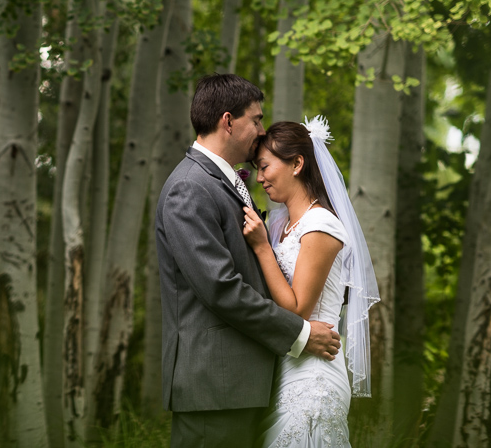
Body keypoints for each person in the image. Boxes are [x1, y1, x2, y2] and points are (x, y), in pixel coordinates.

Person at [155, 74, 343, 448]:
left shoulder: (220, 181)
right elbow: (221, 288)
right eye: (255, 120)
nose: (260, 130)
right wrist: (301, 334)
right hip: (214, 386)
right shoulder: (189, 188)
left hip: (241, 385)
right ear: (228, 121)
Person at [242, 118, 380, 448]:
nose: (260, 178)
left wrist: (261, 247)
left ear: (297, 163)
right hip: (285, 367)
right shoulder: (282, 225)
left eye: (264, 167)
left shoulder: (321, 225)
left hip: (313, 374)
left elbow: (298, 308)